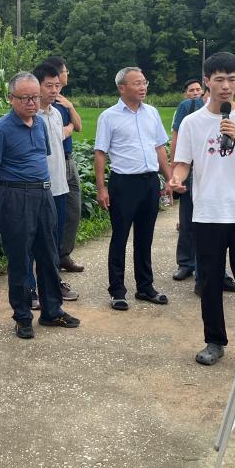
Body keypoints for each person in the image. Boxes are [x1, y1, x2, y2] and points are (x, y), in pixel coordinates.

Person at [170, 52, 235, 366]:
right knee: (209, 283)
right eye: (219, 80)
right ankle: (214, 341)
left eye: (232, 79)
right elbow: (183, 163)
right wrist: (176, 178)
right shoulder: (192, 122)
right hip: (207, 213)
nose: (226, 86)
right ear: (207, 82)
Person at [0, 72, 81, 338]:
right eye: (24, 98)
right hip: (16, 196)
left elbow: (41, 159)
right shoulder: (1, 129)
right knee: (20, 259)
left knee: (49, 255)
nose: (31, 103)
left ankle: (52, 311)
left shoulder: (39, 124)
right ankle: (22, 316)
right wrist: (5, 195)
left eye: (35, 97)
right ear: (10, 98)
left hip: (44, 194)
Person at [94, 67, 174, 310]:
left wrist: (169, 179)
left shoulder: (152, 113)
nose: (143, 87)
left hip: (149, 182)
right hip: (124, 184)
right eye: (137, 83)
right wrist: (101, 188)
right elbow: (100, 153)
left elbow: (159, 148)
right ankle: (117, 291)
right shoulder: (109, 116)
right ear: (122, 88)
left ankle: (145, 287)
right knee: (120, 237)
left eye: (144, 82)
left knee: (145, 237)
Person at [27, 62, 78, 306]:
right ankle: (30, 289)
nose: (54, 90)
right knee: (32, 241)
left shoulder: (56, 114)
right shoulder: (29, 117)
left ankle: (53, 283)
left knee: (54, 241)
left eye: (57, 85)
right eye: (49, 85)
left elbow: (60, 140)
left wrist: (71, 125)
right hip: (36, 189)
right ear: (36, 86)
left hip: (59, 186)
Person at [43, 55, 85, 273]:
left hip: (68, 160)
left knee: (72, 209)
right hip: (52, 163)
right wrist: (66, 130)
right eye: (66, 71)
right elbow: (56, 135)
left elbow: (79, 126)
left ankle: (63, 254)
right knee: (53, 216)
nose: (67, 75)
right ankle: (51, 262)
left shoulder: (62, 102)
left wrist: (70, 107)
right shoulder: (45, 104)